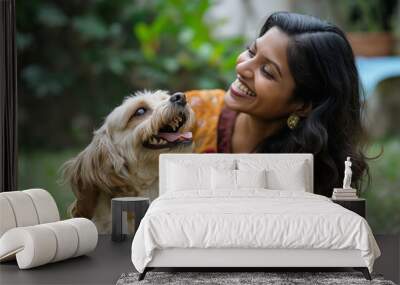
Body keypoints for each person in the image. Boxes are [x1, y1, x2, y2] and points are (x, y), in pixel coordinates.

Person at [184, 11, 370, 197]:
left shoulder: (306, 178)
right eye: (251, 52)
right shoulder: (191, 112)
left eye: (267, 71)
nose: (242, 68)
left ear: (303, 105)